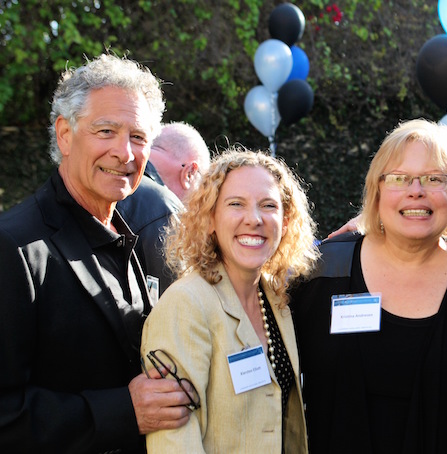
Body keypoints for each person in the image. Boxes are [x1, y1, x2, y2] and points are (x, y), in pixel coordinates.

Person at [0, 54, 193, 453]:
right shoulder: (13, 247)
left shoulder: (130, 232)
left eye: (138, 137)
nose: (124, 152)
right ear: (65, 134)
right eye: (106, 131)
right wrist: (124, 410)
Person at [290, 119, 447, 453]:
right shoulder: (321, 271)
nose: (415, 190)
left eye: (434, 178)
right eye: (399, 178)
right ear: (376, 192)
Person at [140, 148, 319, 453]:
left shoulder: (277, 301)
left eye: (268, 205)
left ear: (286, 222)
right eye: (236, 204)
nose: (254, 219)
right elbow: (172, 440)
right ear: (210, 218)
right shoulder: (187, 304)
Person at [117, 122, 210, 299]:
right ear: (190, 173)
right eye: (203, 187)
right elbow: (175, 306)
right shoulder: (165, 210)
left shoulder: (106, 184)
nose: (200, 203)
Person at [147, 121, 211, 202]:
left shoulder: (129, 175)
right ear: (190, 173)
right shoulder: (165, 209)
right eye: (203, 184)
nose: (201, 195)